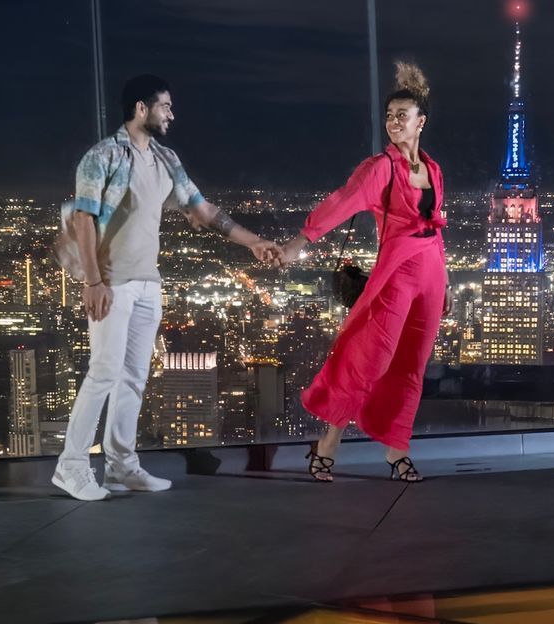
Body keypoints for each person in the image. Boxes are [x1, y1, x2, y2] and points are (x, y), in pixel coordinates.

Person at [53, 75, 280, 502]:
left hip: (147, 283)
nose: (172, 114)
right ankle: (71, 467)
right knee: (103, 373)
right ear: (142, 108)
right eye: (165, 106)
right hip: (112, 281)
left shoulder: (166, 159)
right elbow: (83, 218)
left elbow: (203, 209)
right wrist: (93, 281)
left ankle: (121, 466)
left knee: (134, 378)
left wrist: (253, 242)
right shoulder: (103, 155)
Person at [279, 62, 447, 483]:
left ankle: (397, 451)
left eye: (402, 116)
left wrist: (443, 284)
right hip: (397, 271)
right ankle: (327, 444)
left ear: (420, 122)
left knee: (412, 366)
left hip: (431, 272)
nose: (394, 122)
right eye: (389, 116)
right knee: (370, 358)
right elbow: (343, 201)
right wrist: (300, 241)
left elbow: (435, 227)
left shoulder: (433, 170)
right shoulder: (380, 168)